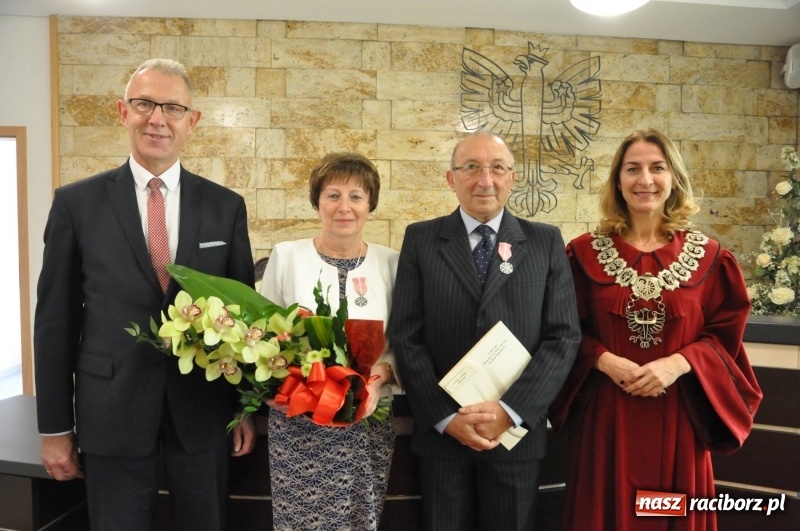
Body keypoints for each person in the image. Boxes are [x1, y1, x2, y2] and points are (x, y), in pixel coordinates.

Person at [34, 58, 256, 531]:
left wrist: (244, 406)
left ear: (192, 121)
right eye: (144, 104)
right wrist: (54, 428)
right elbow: (55, 321)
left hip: (203, 410)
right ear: (123, 111)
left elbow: (242, 318)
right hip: (110, 408)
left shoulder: (226, 207)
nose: (158, 119)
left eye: (173, 108)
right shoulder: (76, 204)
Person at [549, 128, 763, 530]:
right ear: (617, 181)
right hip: (606, 419)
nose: (645, 180)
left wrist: (676, 364)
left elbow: (725, 336)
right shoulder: (580, 254)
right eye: (633, 169)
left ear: (674, 178)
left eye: (657, 168)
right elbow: (560, 330)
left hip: (680, 415)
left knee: (669, 511)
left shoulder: (712, 259)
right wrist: (604, 360)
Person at [387, 132, 581, 531]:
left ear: (512, 178)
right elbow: (406, 335)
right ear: (451, 178)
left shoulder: (544, 241)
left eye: (497, 168)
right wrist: (445, 418)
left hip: (514, 438)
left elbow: (563, 337)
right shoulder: (421, 239)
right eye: (471, 167)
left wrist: (510, 411)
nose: (485, 180)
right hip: (442, 437)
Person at [259, 152, 400, 530]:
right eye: (333, 195)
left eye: (356, 196)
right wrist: (276, 386)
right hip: (299, 420)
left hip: (367, 418)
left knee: (361, 518)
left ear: (370, 205)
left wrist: (377, 381)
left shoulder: (392, 262)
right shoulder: (287, 256)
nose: (344, 207)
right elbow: (264, 336)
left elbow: (402, 343)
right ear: (317, 202)